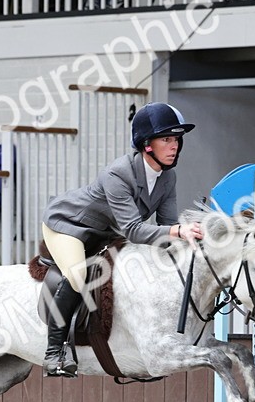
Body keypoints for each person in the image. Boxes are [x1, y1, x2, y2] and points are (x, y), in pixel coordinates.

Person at [39, 101, 205, 378]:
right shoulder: (118, 173)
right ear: (147, 144)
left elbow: (166, 226)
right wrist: (178, 231)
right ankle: (54, 353)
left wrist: (193, 237)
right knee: (78, 274)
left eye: (177, 139)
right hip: (69, 226)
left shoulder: (168, 178)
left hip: (106, 233)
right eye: (167, 139)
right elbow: (134, 230)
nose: (174, 145)